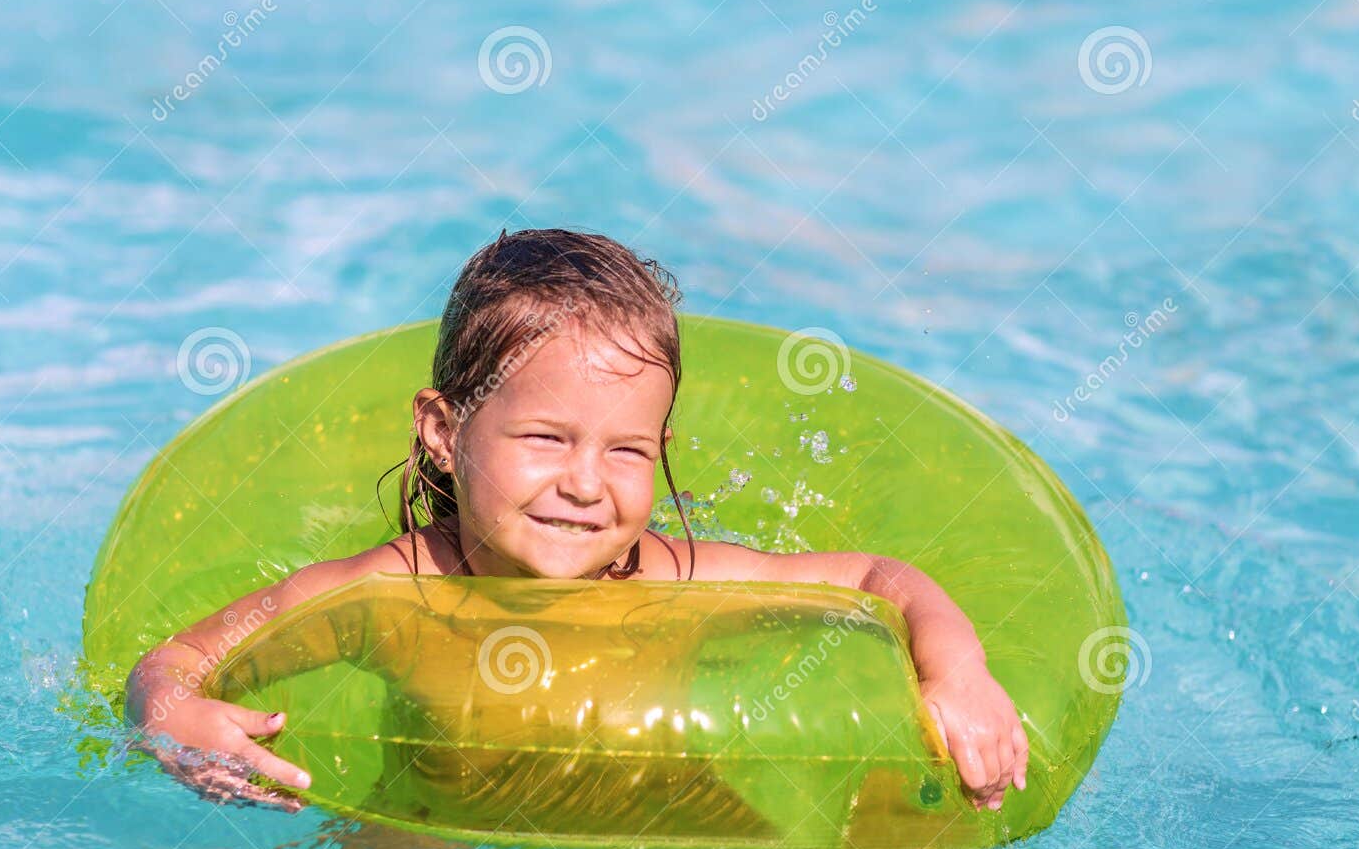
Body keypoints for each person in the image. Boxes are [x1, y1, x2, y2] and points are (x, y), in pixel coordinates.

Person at [125, 228, 1026, 814]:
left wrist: (960, 670)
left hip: (667, 813)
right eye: (548, 438)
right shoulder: (385, 592)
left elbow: (880, 580)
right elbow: (179, 658)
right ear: (444, 432)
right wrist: (171, 716)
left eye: (627, 451)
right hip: (441, 826)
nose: (587, 484)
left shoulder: (677, 581)